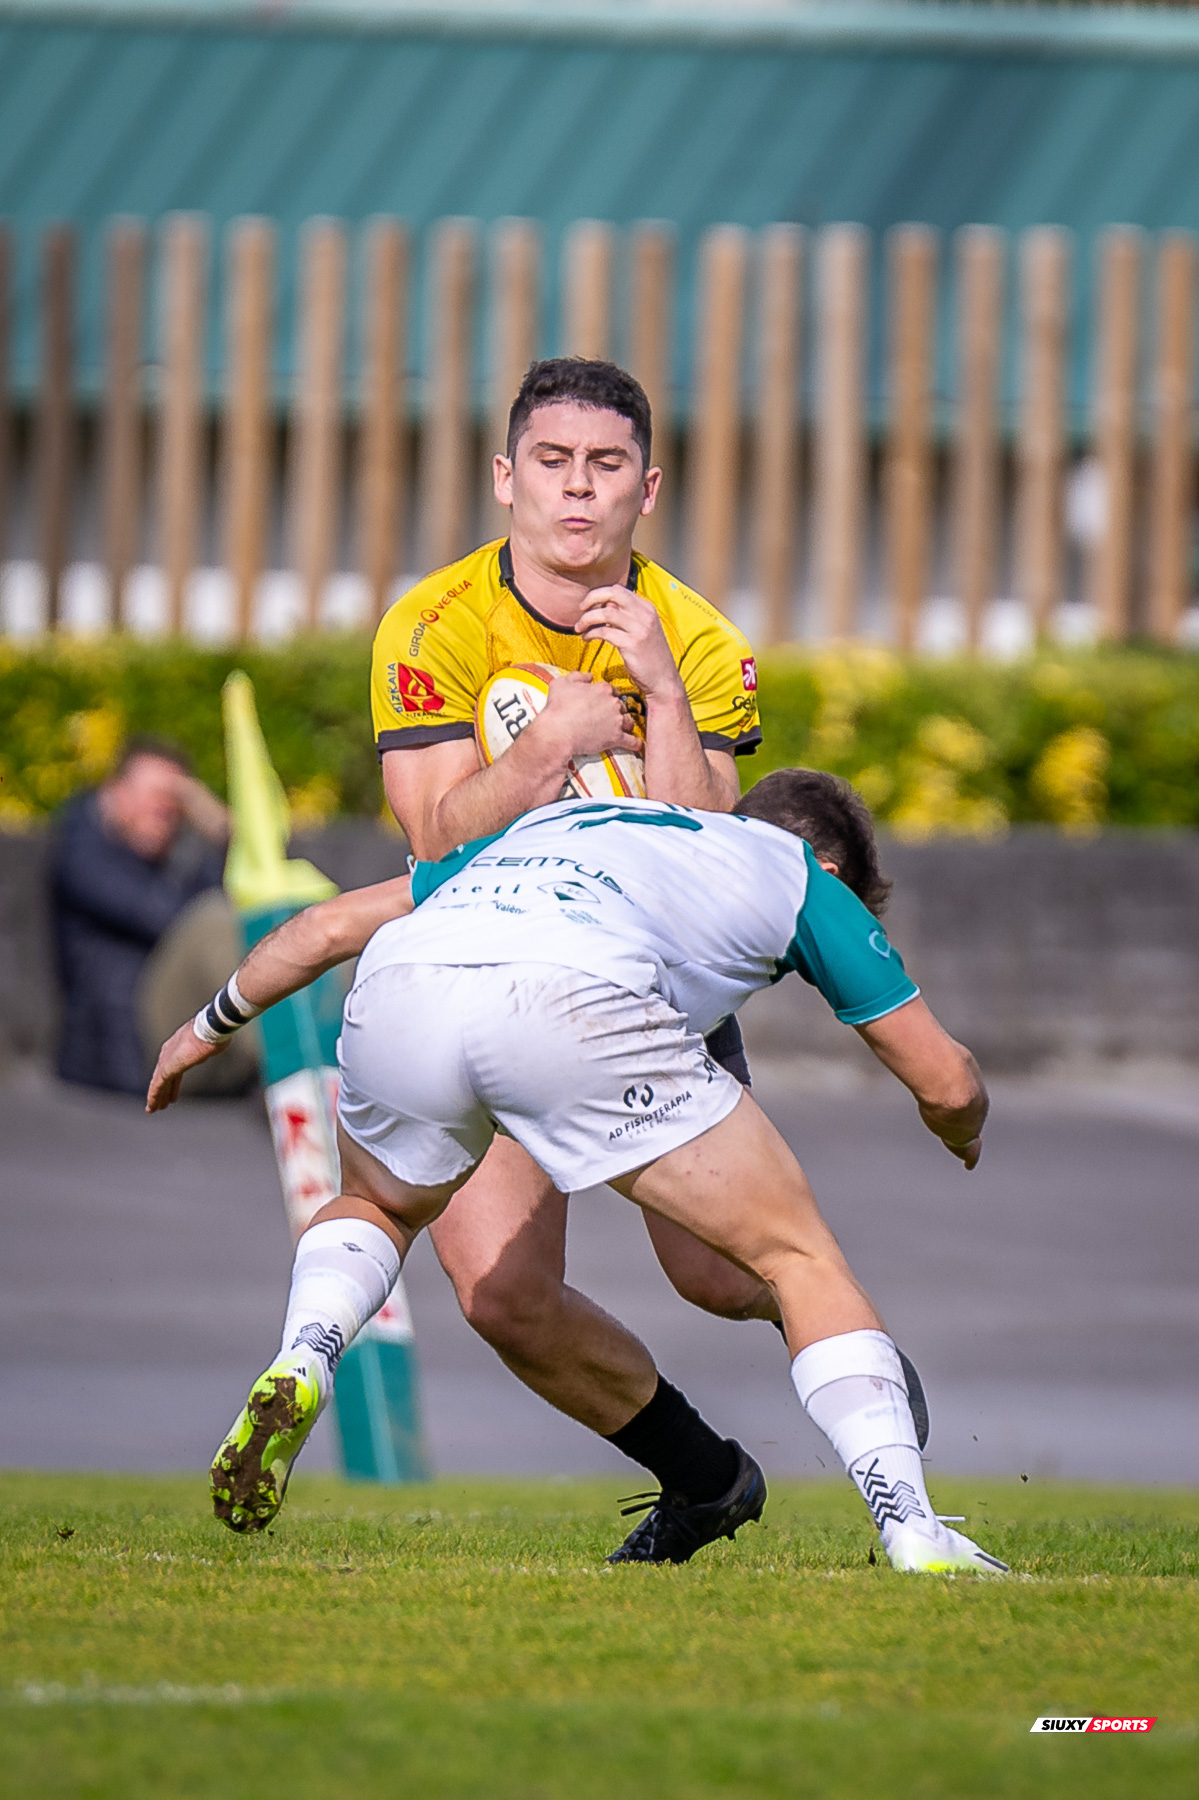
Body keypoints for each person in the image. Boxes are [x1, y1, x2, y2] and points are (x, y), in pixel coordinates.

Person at [149, 771, 1006, 1576]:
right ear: (832, 867)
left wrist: (202, 1030)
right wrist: (959, 1131)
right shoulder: (798, 876)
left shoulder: (562, 824)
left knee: (378, 1204)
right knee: (797, 1258)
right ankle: (911, 1527)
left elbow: (322, 930)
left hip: (402, 986)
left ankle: (306, 1351)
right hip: (569, 999)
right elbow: (945, 1082)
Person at [368, 355, 781, 1554]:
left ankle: (845, 1341)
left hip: (650, 986)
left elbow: (716, 856)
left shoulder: (694, 633)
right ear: (506, 477)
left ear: (646, 488)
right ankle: (706, 1481)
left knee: (721, 1273)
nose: (577, 489)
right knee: (501, 1294)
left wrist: (661, 691)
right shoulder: (433, 625)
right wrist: (549, 741)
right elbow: (433, 834)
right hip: (485, 973)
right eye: (552, 462)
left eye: (606, 466)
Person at [50, 737, 235, 1095]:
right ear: (113, 794)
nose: (164, 808)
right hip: (127, 1051)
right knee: (215, 919)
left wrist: (220, 830)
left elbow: (245, 896)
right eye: (154, 794)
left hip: (192, 1041)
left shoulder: (181, 855)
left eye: (176, 800)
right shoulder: (82, 852)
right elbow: (167, 918)